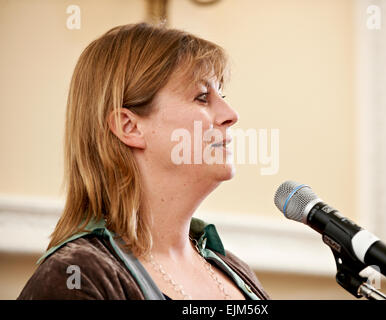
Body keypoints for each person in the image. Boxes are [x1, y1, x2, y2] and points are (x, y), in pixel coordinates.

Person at [17, 23, 269, 300]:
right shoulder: (75, 277)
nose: (231, 114)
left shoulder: (234, 270)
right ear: (129, 126)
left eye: (223, 95)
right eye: (202, 97)